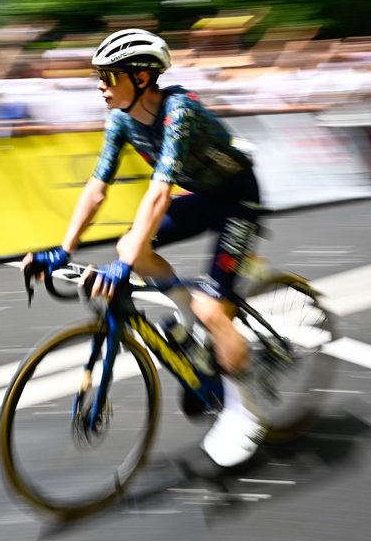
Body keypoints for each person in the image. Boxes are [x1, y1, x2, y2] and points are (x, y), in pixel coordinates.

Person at [21, 29, 266, 467]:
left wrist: (125, 264)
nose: (99, 85)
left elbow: (159, 193)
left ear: (138, 78)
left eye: (107, 76)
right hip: (202, 197)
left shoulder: (179, 111)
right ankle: (191, 326)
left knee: (212, 309)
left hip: (238, 200)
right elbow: (97, 188)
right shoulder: (120, 118)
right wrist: (63, 249)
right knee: (128, 243)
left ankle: (242, 411)